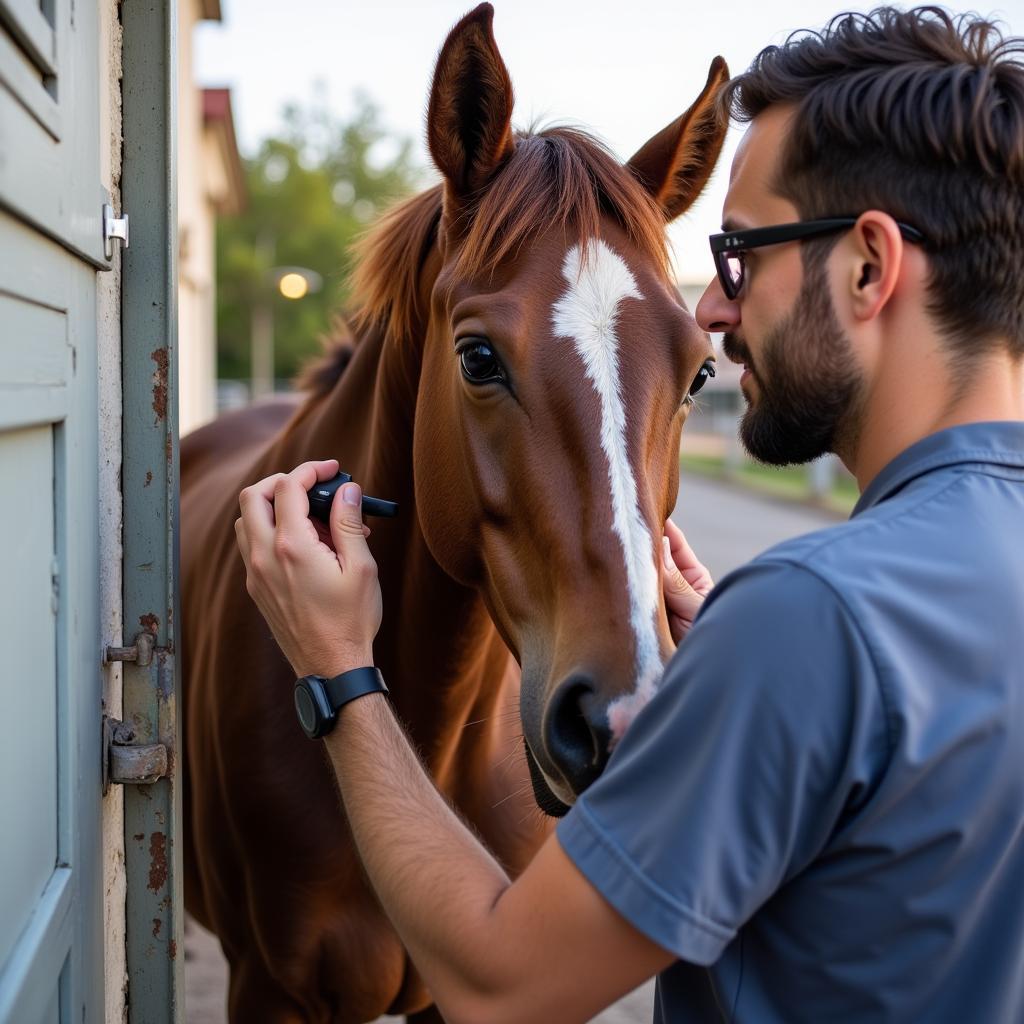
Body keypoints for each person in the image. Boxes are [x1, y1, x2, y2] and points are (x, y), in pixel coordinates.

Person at [234, 8, 1024, 1022]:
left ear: (868, 266)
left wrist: (337, 667)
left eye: (740, 253)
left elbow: (499, 984)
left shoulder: (808, 617)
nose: (710, 309)